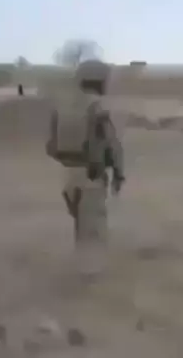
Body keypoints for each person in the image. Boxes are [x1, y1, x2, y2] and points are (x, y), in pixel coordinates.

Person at [46, 60, 125, 279]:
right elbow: (112, 144)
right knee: (93, 227)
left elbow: (51, 147)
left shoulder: (63, 107)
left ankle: (83, 266)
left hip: (68, 175)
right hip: (91, 174)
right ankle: (90, 273)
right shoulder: (97, 108)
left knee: (81, 223)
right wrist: (118, 173)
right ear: (98, 80)